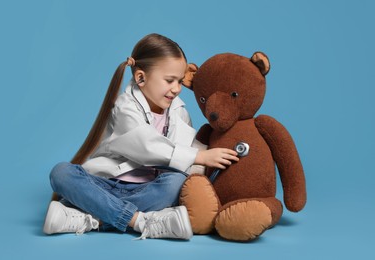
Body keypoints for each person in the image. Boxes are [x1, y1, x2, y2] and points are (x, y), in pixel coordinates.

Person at [43, 33, 239, 240]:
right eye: (170, 80)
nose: (177, 89)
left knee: (176, 182)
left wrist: (214, 152)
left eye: (180, 81)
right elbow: (146, 146)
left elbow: (187, 147)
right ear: (140, 78)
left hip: (145, 190)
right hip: (105, 185)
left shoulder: (179, 111)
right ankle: (140, 221)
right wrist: (198, 157)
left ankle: (92, 218)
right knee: (61, 173)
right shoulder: (125, 107)